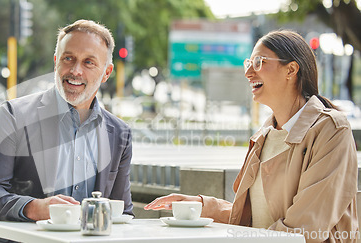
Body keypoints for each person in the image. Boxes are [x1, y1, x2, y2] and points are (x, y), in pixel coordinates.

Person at [144, 30, 358, 242]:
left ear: (291, 70)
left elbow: (304, 228)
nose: (248, 73)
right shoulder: (264, 136)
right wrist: (202, 206)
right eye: (248, 63)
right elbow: (255, 220)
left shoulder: (331, 131)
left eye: (259, 62)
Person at [0, 19, 133, 226]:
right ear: (56, 61)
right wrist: (33, 208)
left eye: (88, 62)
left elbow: (122, 211)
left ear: (106, 72)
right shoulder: (13, 116)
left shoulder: (120, 133)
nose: (76, 70)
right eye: (68, 58)